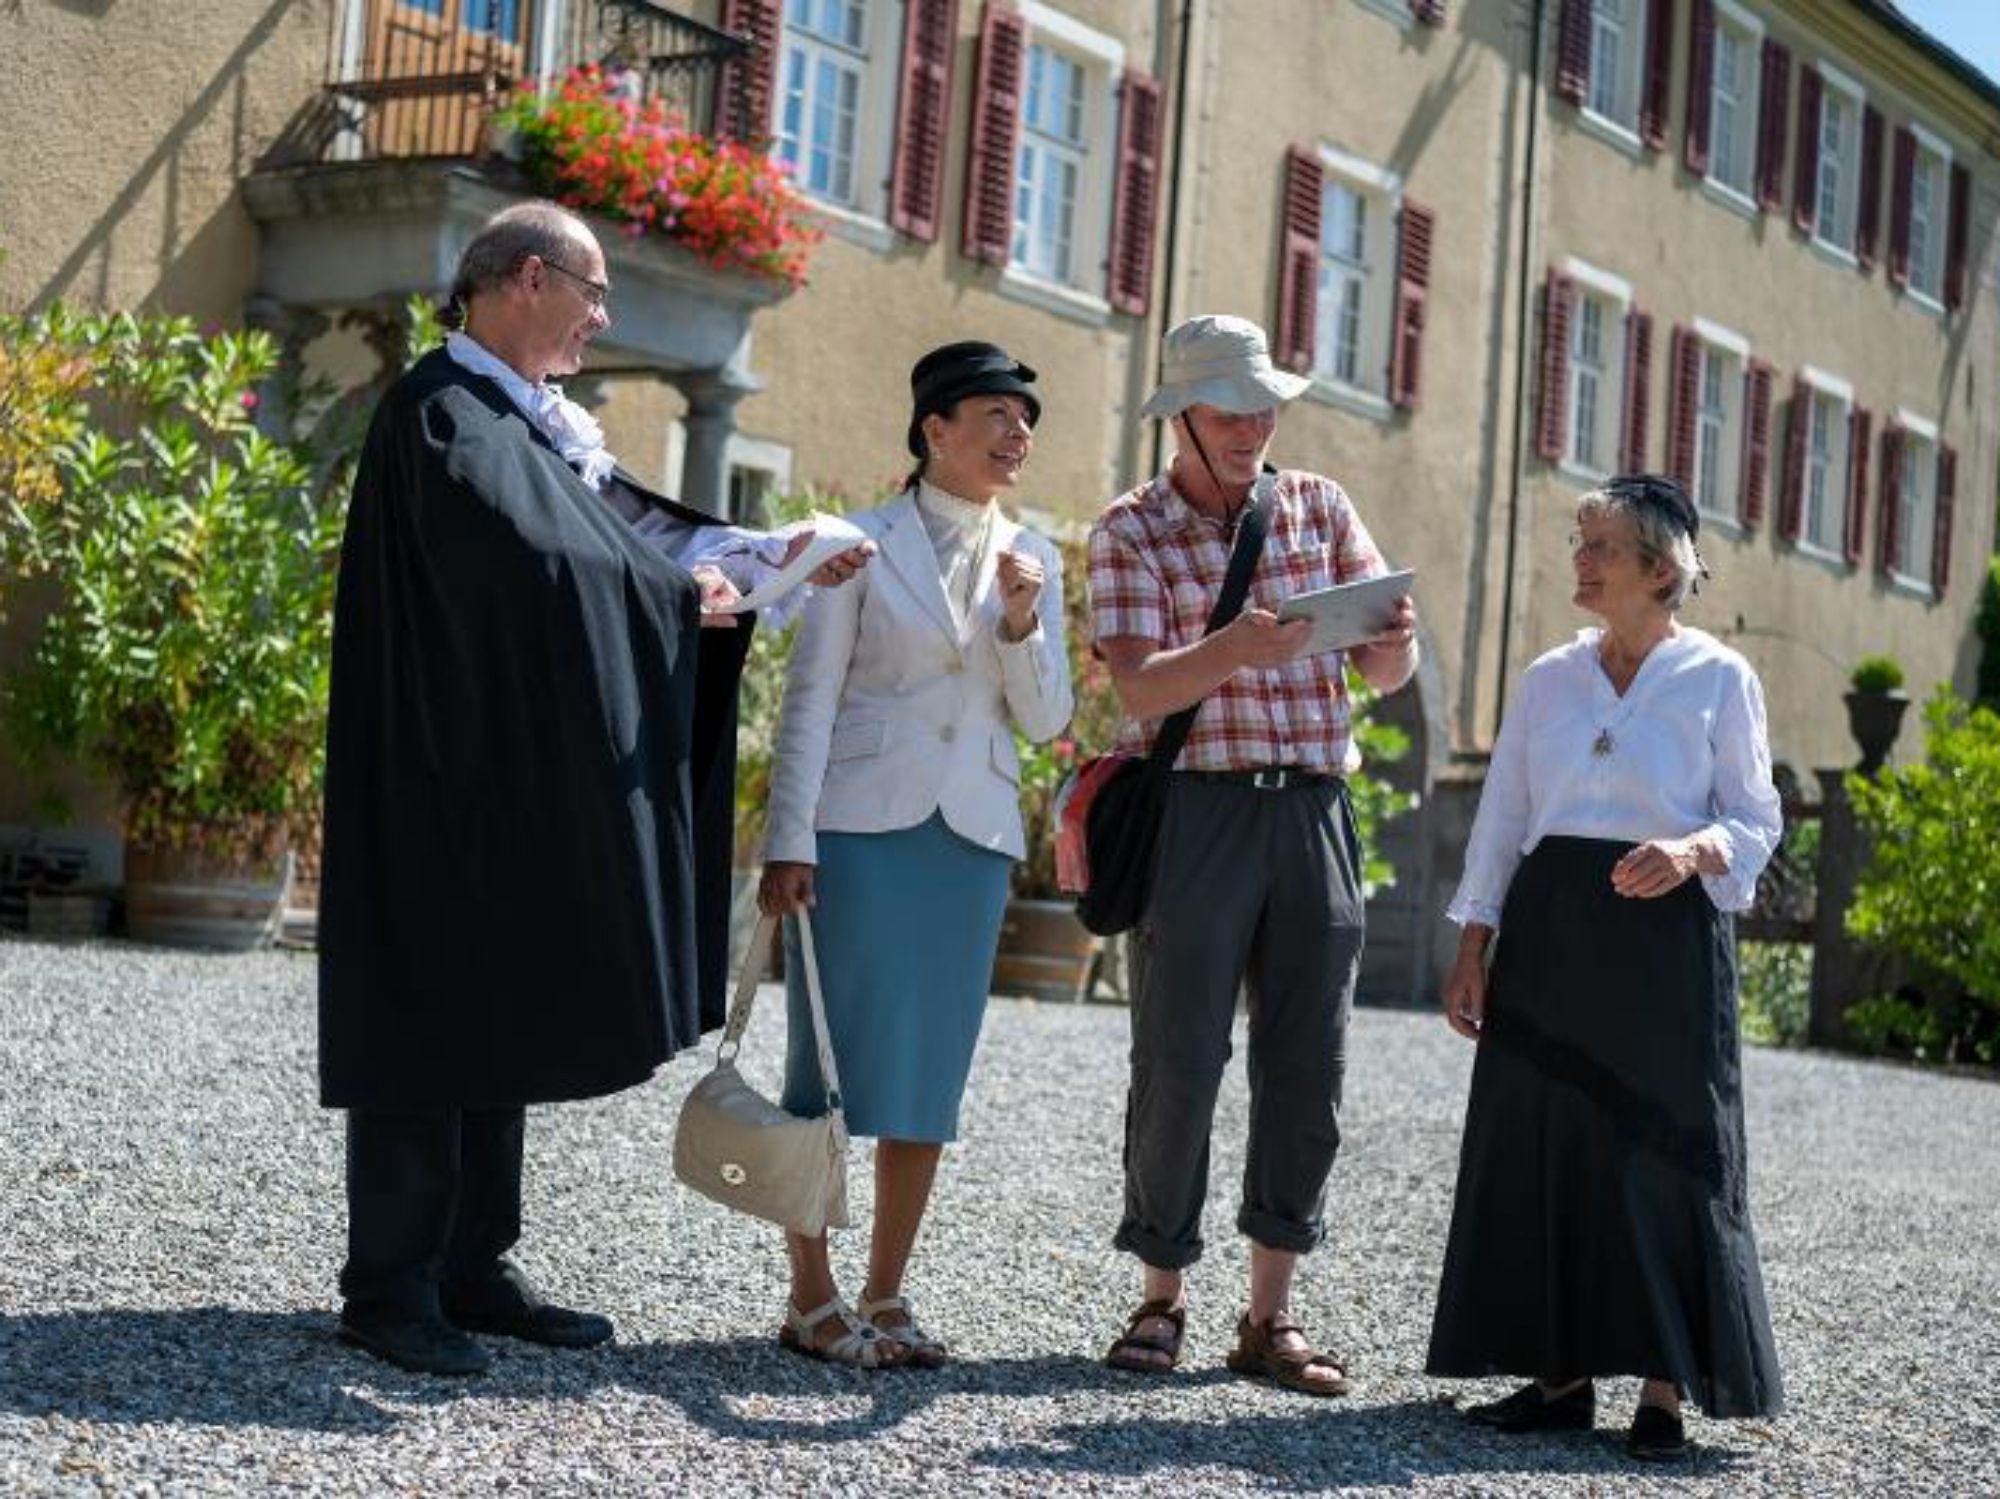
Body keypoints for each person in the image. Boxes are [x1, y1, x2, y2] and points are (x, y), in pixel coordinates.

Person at [318, 200, 868, 1378]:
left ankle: (473, 1264)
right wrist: (683, 604)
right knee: (427, 1020)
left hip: (503, 780)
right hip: (436, 779)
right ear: (525, 279)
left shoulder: (523, 419)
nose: (603, 316)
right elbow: (527, 562)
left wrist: (767, 557)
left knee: (494, 1012)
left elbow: (617, 530)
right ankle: (389, 1285)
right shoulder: (439, 412)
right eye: (592, 290)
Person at [1087, 314, 1416, 1395]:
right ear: (1177, 414)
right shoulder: (1128, 527)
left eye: (1263, 405)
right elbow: (1136, 688)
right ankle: (1159, 1295)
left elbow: (1382, 676)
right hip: (1197, 811)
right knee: (1176, 1059)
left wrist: (1392, 638)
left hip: (1315, 810)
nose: (1251, 425)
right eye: (1229, 408)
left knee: (1307, 1067)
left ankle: (1268, 1317)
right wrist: (1239, 647)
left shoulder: (1318, 502)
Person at [1426, 474, 1785, 1461]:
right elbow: (1502, 817)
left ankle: (1663, 1385)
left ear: (1659, 570)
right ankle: (1556, 1376)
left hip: (1660, 937)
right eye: (1577, 540)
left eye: (1599, 546)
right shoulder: (1547, 676)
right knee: (1544, 1139)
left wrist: (1688, 851)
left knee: (1666, 1148)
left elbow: (1756, 818)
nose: (1577, 560)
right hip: (1548, 932)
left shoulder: (1718, 677)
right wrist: (1471, 944)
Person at [757, 341, 1073, 1369]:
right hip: (855, 832)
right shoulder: (859, 542)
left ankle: (886, 1294)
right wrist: (785, 839)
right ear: (933, 427)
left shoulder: (1038, 559)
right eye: (994, 412)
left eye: (1024, 419)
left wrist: (1024, 623)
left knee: (929, 1080)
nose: (1014, 432)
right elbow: (809, 700)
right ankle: (811, 1293)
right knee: (826, 1067)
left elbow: (1045, 719)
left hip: (970, 842)